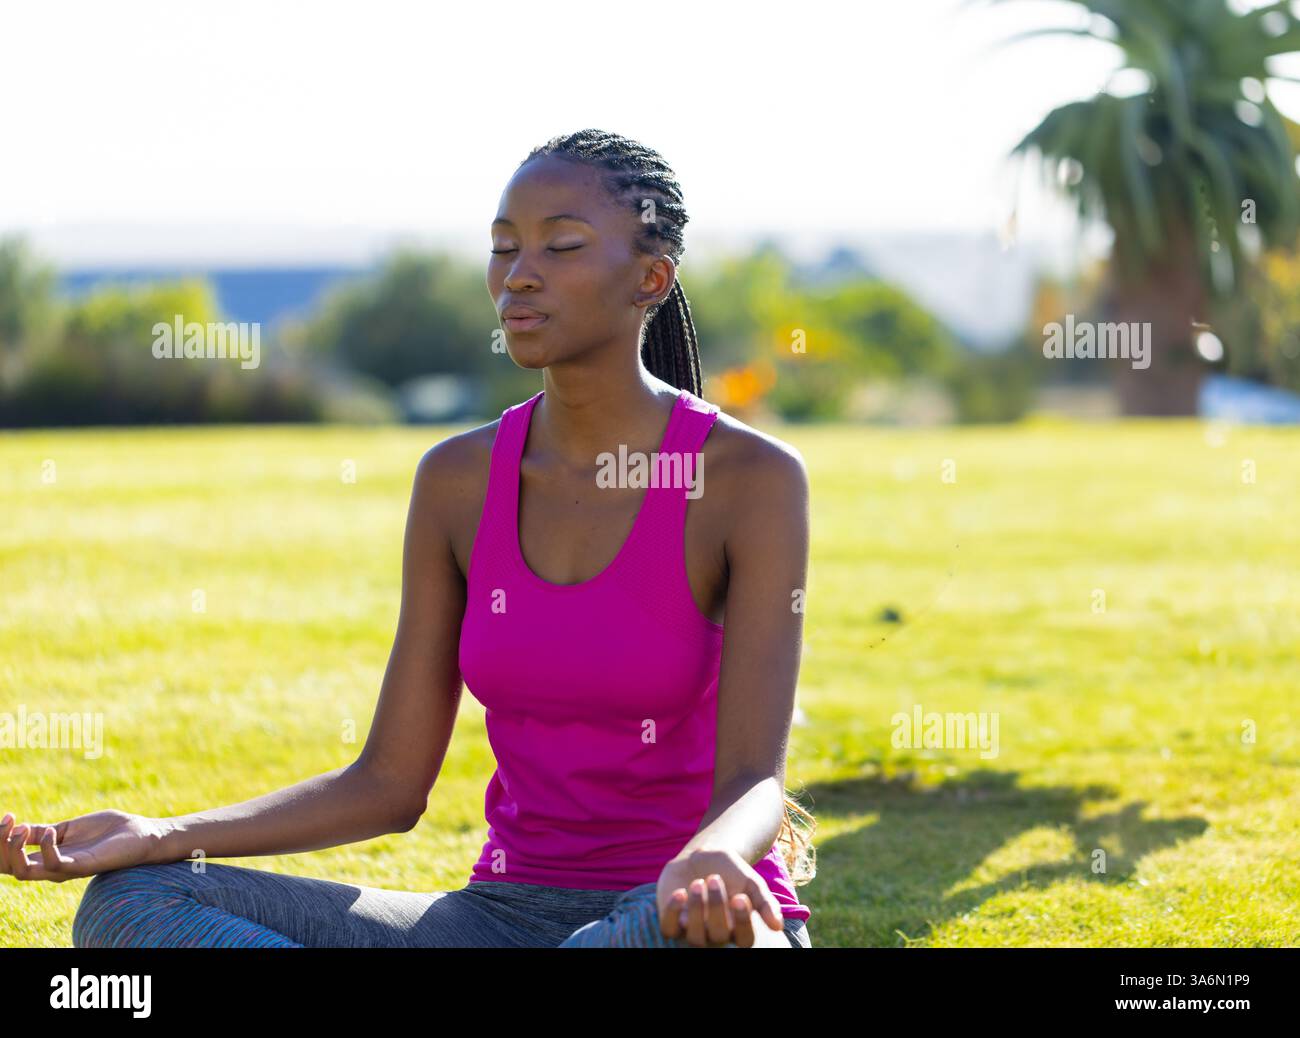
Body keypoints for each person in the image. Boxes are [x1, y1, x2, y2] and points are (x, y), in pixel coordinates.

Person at [1, 128, 817, 949]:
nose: (519, 274)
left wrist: (707, 858)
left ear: (652, 276)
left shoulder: (747, 479)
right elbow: (388, 783)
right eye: (503, 248)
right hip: (501, 918)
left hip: (682, 913)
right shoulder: (459, 481)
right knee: (135, 901)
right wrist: (159, 834)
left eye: (561, 245)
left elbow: (754, 780)